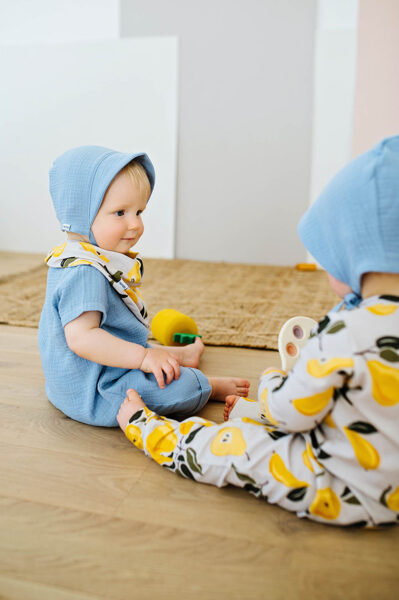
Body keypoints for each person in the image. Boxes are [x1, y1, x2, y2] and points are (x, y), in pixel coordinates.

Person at [116, 136, 399, 528]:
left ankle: (147, 429)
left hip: (349, 489)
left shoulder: (346, 333)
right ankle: (245, 413)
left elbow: (290, 414)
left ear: (354, 254)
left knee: (237, 449)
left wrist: (272, 383)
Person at [38, 146, 249, 427]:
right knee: (176, 386)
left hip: (86, 374)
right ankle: (206, 385)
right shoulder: (84, 273)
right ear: (80, 214)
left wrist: (145, 355)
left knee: (147, 355)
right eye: (120, 212)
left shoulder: (76, 256)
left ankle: (182, 355)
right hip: (95, 392)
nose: (135, 224)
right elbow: (82, 339)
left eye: (139, 211)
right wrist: (143, 357)